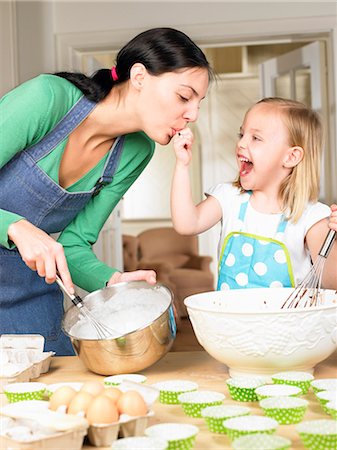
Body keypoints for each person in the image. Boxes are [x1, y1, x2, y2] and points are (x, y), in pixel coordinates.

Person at [0, 27, 211, 355]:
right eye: (184, 97)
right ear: (139, 76)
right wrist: (15, 226)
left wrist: (112, 281)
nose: (192, 115)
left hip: (31, 300)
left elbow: (73, 243)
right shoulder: (47, 99)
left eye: (198, 103)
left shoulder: (137, 151)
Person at [171, 97, 337, 291]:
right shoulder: (229, 198)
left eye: (255, 138)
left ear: (291, 157)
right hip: (230, 320)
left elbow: (332, 284)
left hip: (284, 322)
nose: (241, 143)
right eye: (241, 134)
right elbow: (186, 224)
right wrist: (182, 165)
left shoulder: (312, 218)